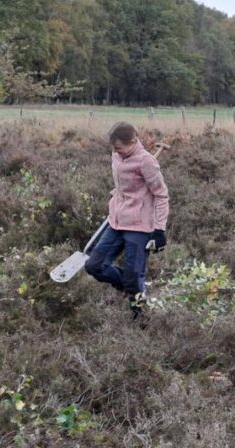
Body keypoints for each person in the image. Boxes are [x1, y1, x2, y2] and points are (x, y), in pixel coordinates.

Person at [84, 122, 169, 318]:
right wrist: (119, 191)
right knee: (94, 266)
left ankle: (141, 317)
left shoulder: (146, 162)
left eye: (119, 147)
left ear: (132, 141)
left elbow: (161, 195)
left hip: (139, 226)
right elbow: (123, 181)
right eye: (113, 148)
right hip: (116, 221)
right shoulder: (116, 155)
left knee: (134, 276)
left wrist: (159, 230)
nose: (116, 151)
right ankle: (131, 286)